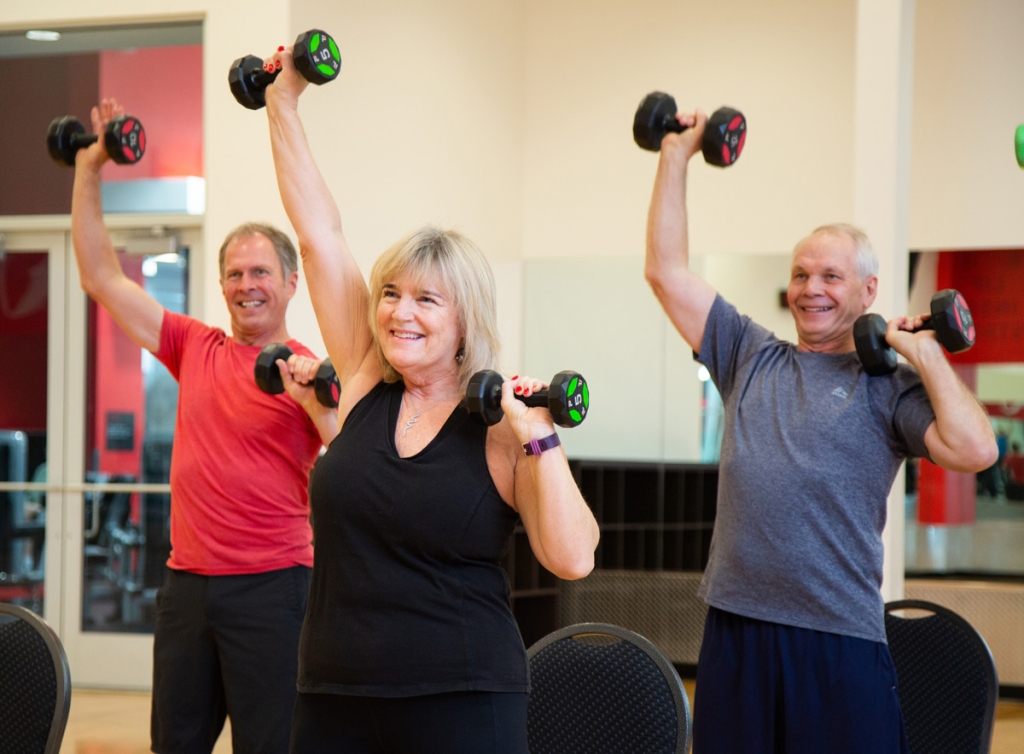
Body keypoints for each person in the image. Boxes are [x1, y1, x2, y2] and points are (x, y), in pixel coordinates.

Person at [257, 49, 599, 754]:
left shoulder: (502, 427)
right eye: (390, 293)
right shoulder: (362, 378)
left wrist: (539, 434)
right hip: (332, 693)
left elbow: (573, 559)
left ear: (465, 319)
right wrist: (282, 103)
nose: (398, 313)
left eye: (425, 300)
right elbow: (319, 236)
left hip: (463, 699)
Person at [644, 108, 997, 753]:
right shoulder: (748, 355)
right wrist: (675, 152)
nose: (811, 289)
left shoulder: (889, 387)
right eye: (802, 274)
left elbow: (975, 450)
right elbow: (666, 273)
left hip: (837, 639)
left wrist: (925, 355)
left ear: (868, 290)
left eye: (831, 276)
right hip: (736, 630)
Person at [71, 99, 339, 754]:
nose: (247, 285)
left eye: (260, 273)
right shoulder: (193, 346)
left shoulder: (307, 372)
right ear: (220, 284)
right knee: (175, 743)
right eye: (235, 274)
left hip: (275, 588)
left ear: (291, 282)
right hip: (187, 588)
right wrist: (88, 168)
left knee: (273, 745)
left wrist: (313, 399)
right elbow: (101, 277)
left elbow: (348, 444)